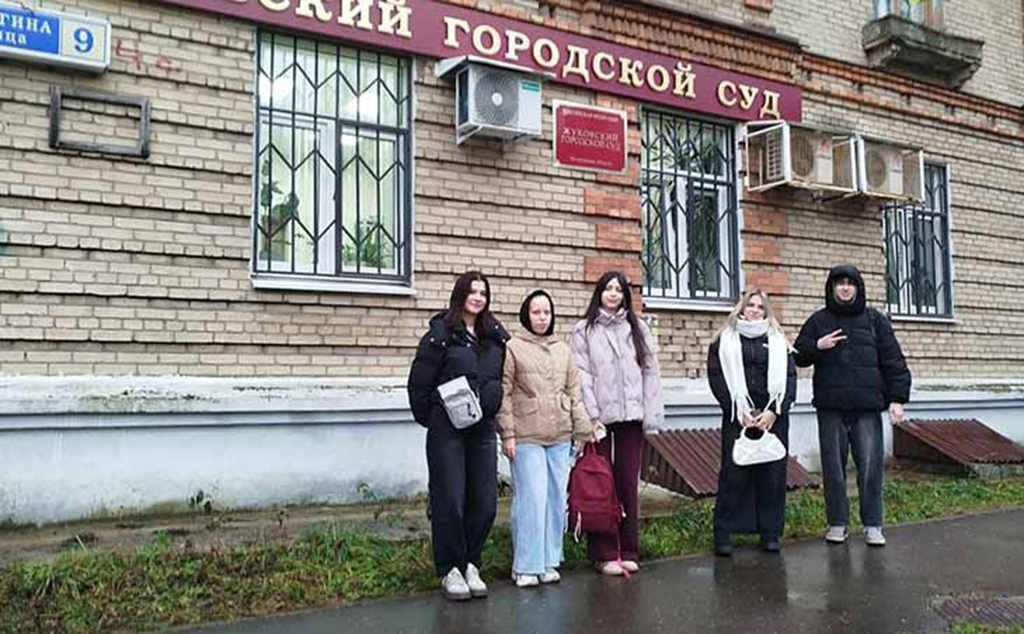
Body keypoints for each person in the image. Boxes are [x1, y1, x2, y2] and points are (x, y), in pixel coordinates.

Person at [407, 271, 509, 601]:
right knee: (449, 498)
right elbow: (420, 380)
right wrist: (434, 416)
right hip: (447, 429)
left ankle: (471, 563)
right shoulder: (441, 334)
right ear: (460, 295)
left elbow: (501, 380)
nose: (477, 297)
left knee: (485, 501)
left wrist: (493, 402)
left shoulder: (494, 337)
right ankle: (450, 568)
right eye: (472, 291)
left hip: (482, 428)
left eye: (483, 293)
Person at [794, 265, 911, 547]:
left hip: (867, 409)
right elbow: (797, 356)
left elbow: (894, 361)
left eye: (850, 283)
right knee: (833, 470)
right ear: (832, 288)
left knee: (870, 469)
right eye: (840, 283)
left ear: (858, 288)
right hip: (831, 409)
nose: (845, 287)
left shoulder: (874, 320)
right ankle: (837, 524)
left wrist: (897, 399)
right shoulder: (818, 321)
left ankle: (873, 525)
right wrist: (818, 346)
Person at [498, 290, 605, 588]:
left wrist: (582, 431)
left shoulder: (563, 350)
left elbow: (574, 392)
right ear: (526, 315)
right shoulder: (514, 348)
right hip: (526, 435)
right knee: (531, 500)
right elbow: (504, 394)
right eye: (536, 312)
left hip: (560, 435)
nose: (542, 318)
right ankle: (525, 566)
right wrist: (507, 433)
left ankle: (548, 561)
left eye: (546, 312)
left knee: (556, 500)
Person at [570, 271, 664, 576]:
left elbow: (650, 373)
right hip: (599, 419)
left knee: (627, 483)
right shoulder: (584, 330)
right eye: (608, 288)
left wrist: (650, 414)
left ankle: (629, 549)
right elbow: (582, 375)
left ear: (625, 295)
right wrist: (591, 417)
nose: (613, 294)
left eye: (618, 289)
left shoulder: (637, 328)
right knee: (601, 483)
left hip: (631, 417)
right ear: (599, 292)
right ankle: (604, 553)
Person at [707, 288, 797, 556]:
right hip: (738, 417)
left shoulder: (779, 341)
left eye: (760, 307)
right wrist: (738, 410)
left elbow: (790, 378)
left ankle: (770, 533)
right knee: (734, 475)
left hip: (773, 418)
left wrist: (775, 411)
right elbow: (716, 377)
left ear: (766, 312)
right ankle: (724, 534)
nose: (755, 310)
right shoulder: (723, 341)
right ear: (742, 308)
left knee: (772, 476)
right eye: (751, 305)